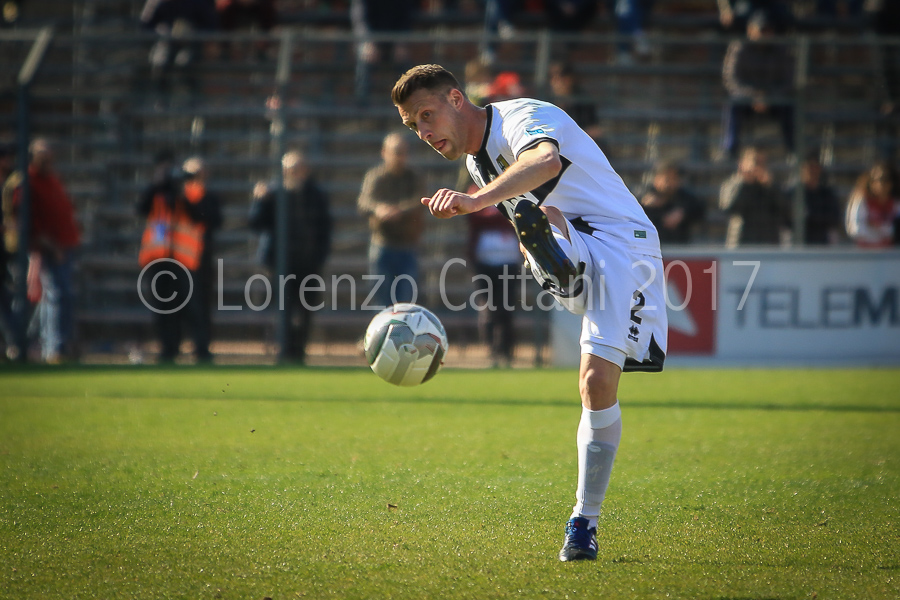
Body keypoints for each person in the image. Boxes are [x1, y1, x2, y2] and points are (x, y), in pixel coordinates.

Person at [392, 64, 667, 562]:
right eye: (414, 126)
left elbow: (544, 161)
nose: (424, 132)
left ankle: (583, 521)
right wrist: (526, 239)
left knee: (596, 383)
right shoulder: (477, 163)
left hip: (623, 244)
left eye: (427, 115)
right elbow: (529, 208)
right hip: (573, 242)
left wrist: (475, 201)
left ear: (456, 98)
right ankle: (558, 266)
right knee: (540, 229)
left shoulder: (522, 116)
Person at [137, 151, 221, 363]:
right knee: (163, 307)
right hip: (160, 258)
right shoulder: (157, 192)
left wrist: (182, 195)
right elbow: (141, 208)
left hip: (186, 261)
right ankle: (168, 349)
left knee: (194, 307)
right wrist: (157, 184)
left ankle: (201, 349)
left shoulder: (195, 193)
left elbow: (205, 217)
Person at [249, 150, 332, 363]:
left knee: (306, 309)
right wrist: (259, 200)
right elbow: (255, 223)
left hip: (308, 262)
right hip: (280, 263)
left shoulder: (316, 195)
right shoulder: (273, 193)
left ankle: (299, 352)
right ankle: (284, 351)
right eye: (290, 169)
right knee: (283, 309)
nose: (295, 173)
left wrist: (320, 257)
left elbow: (325, 228)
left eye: (299, 169)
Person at [5, 139, 81, 363]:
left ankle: (56, 345)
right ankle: (52, 347)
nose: (49, 161)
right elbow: (27, 221)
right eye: (43, 157)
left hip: (64, 244)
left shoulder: (51, 179)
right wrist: (48, 245)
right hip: (46, 247)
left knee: (58, 296)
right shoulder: (26, 182)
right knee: (54, 296)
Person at [357, 132, 426, 307]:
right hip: (382, 244)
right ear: (384, 152)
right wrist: (378, 209)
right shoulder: (376, 176)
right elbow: (364, 202)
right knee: (381, 301)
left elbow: (420, 200)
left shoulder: (414, 177)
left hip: (408, 246)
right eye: (395, 152)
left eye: (402, 152)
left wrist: (399, 211)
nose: (399, 157)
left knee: (406, 301)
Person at [721, 10, 795, 160]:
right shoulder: (739, 47)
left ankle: (793, 151)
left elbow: (789, 80)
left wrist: (768, 97)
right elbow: (731, 80)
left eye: (768, 30)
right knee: (733, 104)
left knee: (790, 106)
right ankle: (730, 149)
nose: (765, 35)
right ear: (750, 30)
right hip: (746, 99)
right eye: (761, 30)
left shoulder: (782, 50)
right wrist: (754, 96)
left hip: (774, 99)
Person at [467, 205, 521, 368]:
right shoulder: (475, 194)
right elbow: (475, 216)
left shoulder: (512, 193)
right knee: (488, 308)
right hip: (484, 262)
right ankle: (492, 350)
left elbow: (517, 217)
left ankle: (506, 350)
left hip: (509, 262)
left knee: (506, 308)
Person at [719, 146, 790, 247]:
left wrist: (771, 187)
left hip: (769, 244)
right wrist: (747, 184)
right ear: (742, 163)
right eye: (756, 162)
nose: (759, 167)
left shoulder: (772, 186)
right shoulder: (732, 185)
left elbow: (785, 209)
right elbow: (729, 209)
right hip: (741, 244)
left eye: (763, 163)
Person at [639, 160, 706, 246]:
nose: (670, 183)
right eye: (667, 179)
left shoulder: (683, 197)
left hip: (679, 246)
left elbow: (700, 208)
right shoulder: (644, 195)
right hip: (650, 246)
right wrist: (644, 206)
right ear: (657, 178)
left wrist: (683, 212)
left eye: (674, 179)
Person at [783, 153, 842, 245]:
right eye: (808, 168)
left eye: (815, 167)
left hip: (822, 242)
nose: (811, 171)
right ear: (801, 170)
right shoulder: (793, 193)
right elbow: (787, 219)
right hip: (798, 243)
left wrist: (809, 216)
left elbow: (834, 218)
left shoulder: (827, 194)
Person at [844, 161, 899, 248]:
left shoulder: (896, 203)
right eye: (877, 180)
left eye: (886, 180)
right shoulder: (861, 200)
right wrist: (880, 232)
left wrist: (876, 226)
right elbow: (855, 229)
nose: (881, 184)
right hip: (865, 251)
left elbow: (894, 232)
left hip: (890, 251)